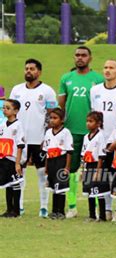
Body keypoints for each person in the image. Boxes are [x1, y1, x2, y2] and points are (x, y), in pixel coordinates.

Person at [58, 46, 104, 219]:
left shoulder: (98, 79)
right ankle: (72, 206)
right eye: (77, 55)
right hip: (70, 132)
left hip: (92, 134)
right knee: (70, 169)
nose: (80, 58)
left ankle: (98, 206)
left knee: (94, 170)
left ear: (90, 58)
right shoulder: (66, 78)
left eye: (84, 55)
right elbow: (61, 106)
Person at [9, 59, 57, 218]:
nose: (28, 71)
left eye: (32, 69)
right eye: (26, 69)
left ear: (39, 72)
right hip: (21, 140)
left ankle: (43, 207)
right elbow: (10, 114)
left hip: (39, 140)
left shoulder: (47, 91)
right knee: (18, 172)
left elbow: (52, 115)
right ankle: (19, 206)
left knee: (42, 174)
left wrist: (47, 137)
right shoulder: (16, 90)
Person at [90, 59, 116, 220]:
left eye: (111, 68)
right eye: (105, 67)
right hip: (101, 139)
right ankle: (107, 209)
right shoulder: (94, 90)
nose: (107, 70)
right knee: (104, 174)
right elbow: (94, 114)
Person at [43, 108, 73, 220]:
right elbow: (46, 151)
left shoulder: (66, 132)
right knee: (53, 187)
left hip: (61, 161)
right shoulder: (48, 132)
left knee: (61, 188)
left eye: (55, 118)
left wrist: (67, 167)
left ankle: (61, 211)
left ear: (62, 120)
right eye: (51, 118)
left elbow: (69, 151)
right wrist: (46, 167)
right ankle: (54, 211)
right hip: (51, 162)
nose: (52, 120)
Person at [81, 111, 109, 222]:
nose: (88, 124)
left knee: (99, 192)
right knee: (89, 192)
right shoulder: (85, 137)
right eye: (87, 121)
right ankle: (92, 215)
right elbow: (83, 154)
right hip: (88, 166)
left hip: (98, 166)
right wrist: (82, 169)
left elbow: (102, 155)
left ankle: (102, 216)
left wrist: (98, 171)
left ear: (98, 123)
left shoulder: (100, 136)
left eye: (91, 121)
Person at [0, 99, 25, 218]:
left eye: (8, 108)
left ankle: (16, 211)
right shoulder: (2, 125)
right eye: (3, 107)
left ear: (16, 111)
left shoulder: (19, 125)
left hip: (13, 160)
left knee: (15, 184)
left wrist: (17, 163)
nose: (4, 110)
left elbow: (20, 146)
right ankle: (9, 209)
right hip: (3, 159)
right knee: (8, 184)